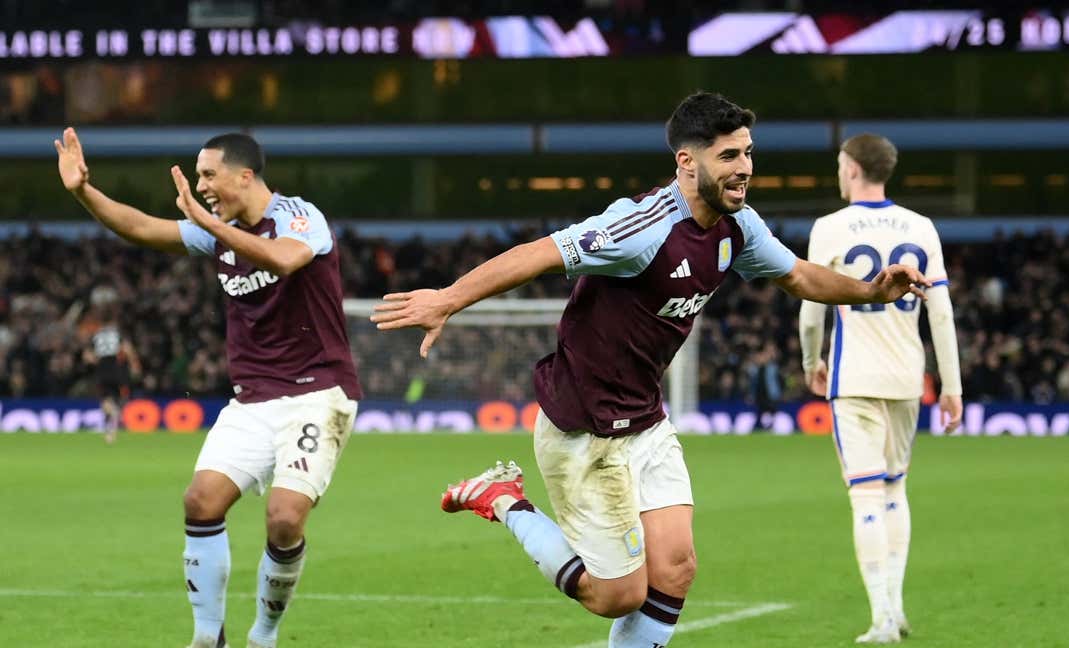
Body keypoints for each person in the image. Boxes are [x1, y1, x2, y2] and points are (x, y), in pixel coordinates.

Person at [372, 92, 930, 647]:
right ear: (687, 162)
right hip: (582, 427)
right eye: (729, 157)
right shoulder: (641, 227)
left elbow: (800, 276)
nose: (745, 170)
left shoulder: (739, 227)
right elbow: (540, 253)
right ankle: (503, 499)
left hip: (644, 420)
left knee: (677, 568)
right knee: (617, 595)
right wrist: (447, 298)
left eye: (747, 154)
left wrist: (870, 291)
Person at [55, 128, 362, 648]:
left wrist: (209, 227)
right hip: (252, 399)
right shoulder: (218, 227)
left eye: (207, 175)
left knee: (285, 518)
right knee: (200, 501)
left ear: (245, 175)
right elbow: (142, 228)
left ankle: (263, 636)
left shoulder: (297, 216)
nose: (201, 187)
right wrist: (84, 191)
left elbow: (286, 258)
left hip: (318, 391)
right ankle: (207, 638)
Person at [798, 133, 964, 644]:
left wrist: (811, 360)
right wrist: (953, 386)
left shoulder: (829, 228)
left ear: (850, 168)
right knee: (895, 490)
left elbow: (810, 308)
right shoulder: (922, 227)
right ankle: (895, 607)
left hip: (855, 379)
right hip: (906, 378)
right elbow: (940, 310)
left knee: (865, 496)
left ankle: (882, 619)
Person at [83, 299, 141, 444]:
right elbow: (128, 349)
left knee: (105, 400)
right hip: (118, 368)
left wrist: (96, 360)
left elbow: (87, 356)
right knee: (120, 399)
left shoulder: (96, 335)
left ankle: (112, 422)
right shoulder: (118, 333)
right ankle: (112, 431)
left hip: (103, 368)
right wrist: (134, 365)